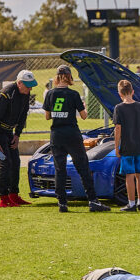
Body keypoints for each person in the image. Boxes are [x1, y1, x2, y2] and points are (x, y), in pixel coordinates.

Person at [42, 65, 110, 213]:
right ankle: (92, 200)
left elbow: (47, 116)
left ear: (57, 77)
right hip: (72, 134)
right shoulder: (73, 94)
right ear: (69, 77)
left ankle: (62, 203)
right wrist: (83, 106)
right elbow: (84, 116)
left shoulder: (50, 94)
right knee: (83, 167)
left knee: (60, 169)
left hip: (57, 135)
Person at [0, 69, 36, 207]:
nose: (30, 88)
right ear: (19, 83)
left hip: (9, 133)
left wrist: (17, 134)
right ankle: (3, 198)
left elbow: (23, 115)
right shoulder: (5, 94)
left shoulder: (25, 93)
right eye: (28, 85)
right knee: (5, 163)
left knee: (15, 162)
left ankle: (14, 195)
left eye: (31, 85)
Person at [113, 79, 140, 211]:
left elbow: (118, 129)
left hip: (127, 147)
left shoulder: (119, 108)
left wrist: (117, 147)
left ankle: (131, 203)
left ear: (119, 93)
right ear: (132, 92)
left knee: (129, 175)